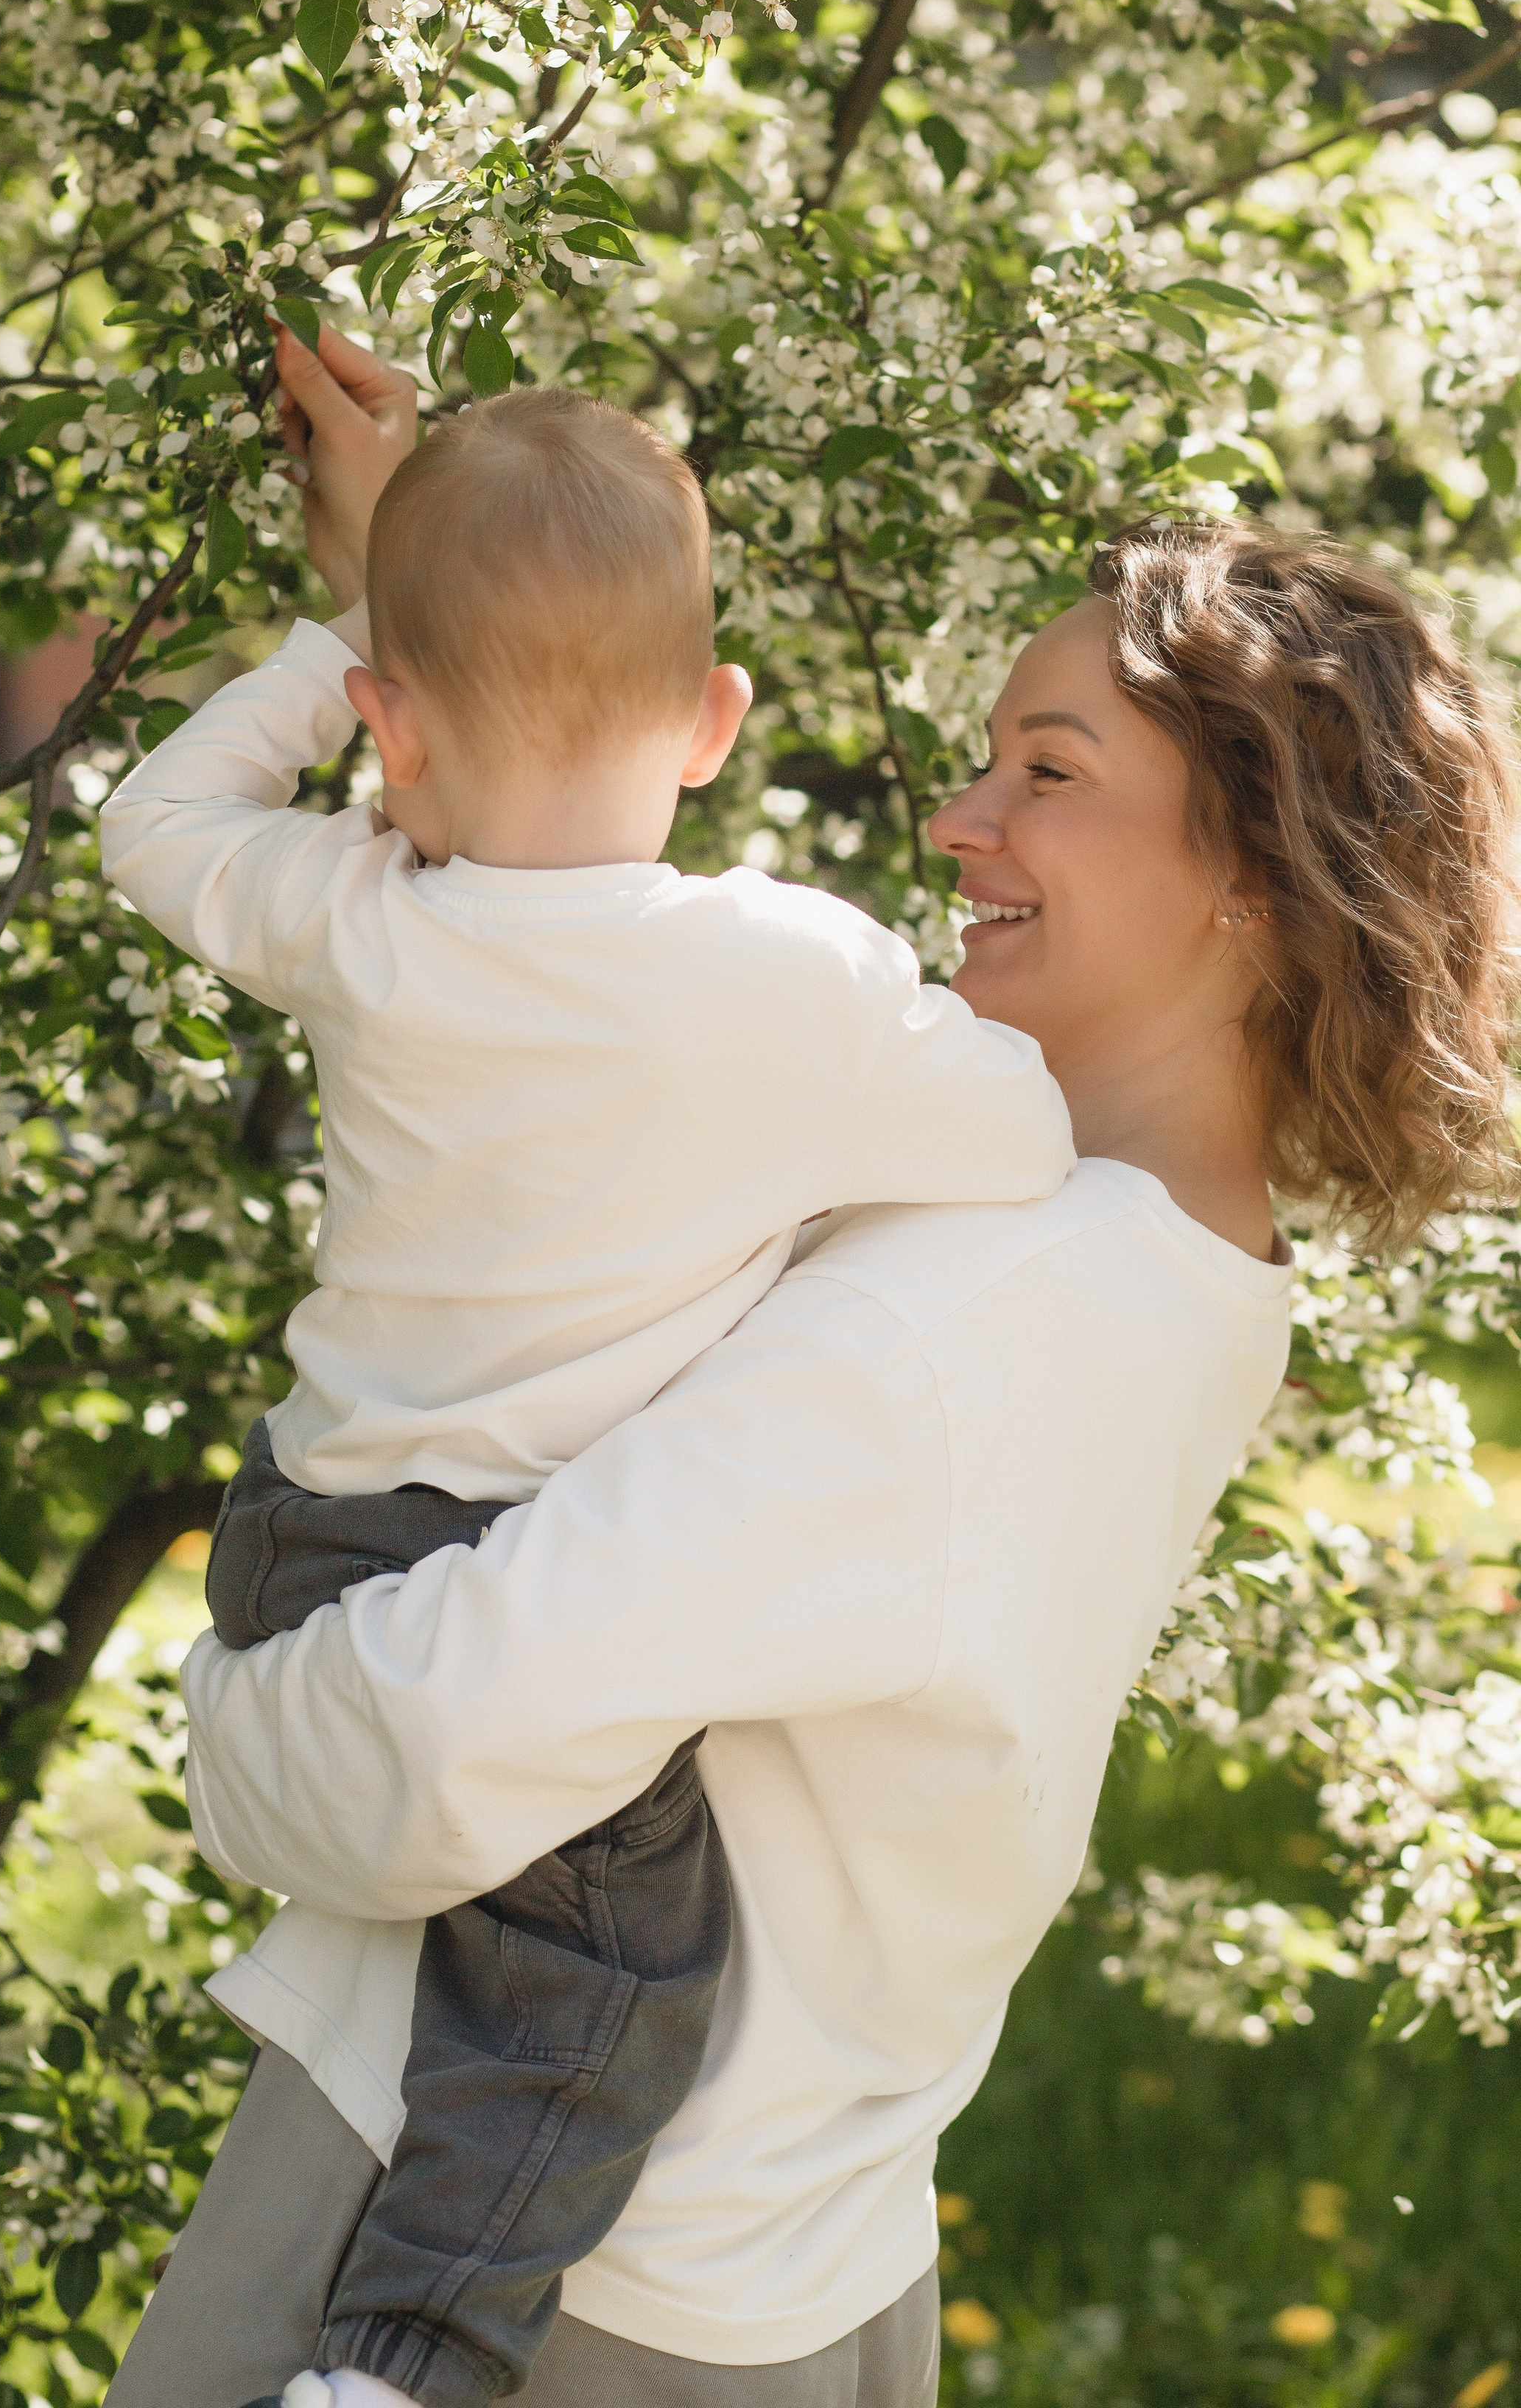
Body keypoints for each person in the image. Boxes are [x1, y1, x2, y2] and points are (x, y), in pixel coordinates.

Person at [105, 331, 1520, 2408]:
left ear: (1250, 881)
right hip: (773, 2237)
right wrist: (441, 594)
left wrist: (226, 1719)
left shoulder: (975, 1319)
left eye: (1049, 770)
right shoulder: (1138, 1256)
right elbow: (588, 991)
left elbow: (427, 1750)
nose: (958, 823)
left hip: (527, 2272)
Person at [98, 340, 1075, 2408]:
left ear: (388, 730)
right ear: (717, 723)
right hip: (488, 1558)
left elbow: (154, 818)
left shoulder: (368, 916)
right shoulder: (791, 976)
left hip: (300, 1535)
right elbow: (1021, 1142)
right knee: (603, 1983)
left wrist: (360, 617)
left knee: (451, 1957)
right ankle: (396, 2365)